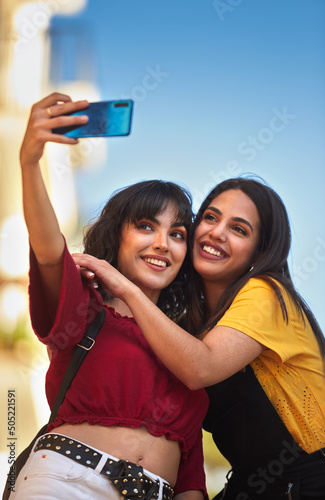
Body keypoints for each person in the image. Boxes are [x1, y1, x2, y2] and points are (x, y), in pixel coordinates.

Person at [73, 178, 325, 499]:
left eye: (239, 229)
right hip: (251, 484)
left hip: (311, 478)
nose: (217, 233)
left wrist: (124, 285)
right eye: (210, 218)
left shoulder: (266, 292)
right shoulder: (193, 334)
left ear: (259, 251)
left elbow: (201, 367)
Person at [11, 92, 209, 500]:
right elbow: (49, 252)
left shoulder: (192, 355)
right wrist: (30, 161)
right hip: (65, 483)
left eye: (177, 234)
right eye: (145, 226)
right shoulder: (84, 309)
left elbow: (191, 482)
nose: (162, 244)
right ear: (116, 237)